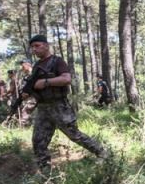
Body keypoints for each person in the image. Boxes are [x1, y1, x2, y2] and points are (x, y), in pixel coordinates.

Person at [23, 34, 107, 169]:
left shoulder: (57, 61)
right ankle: (46, 172)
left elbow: (66, 79)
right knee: (38, 142)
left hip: (59, 107)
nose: (34, 49)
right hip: (43, 108)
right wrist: (28, 93)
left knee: (74, 135)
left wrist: (45, 82)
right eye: (32, 47)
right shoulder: (37, 65)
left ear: (46, 45)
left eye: (37, 46)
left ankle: (102, 152)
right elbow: (34, 87)